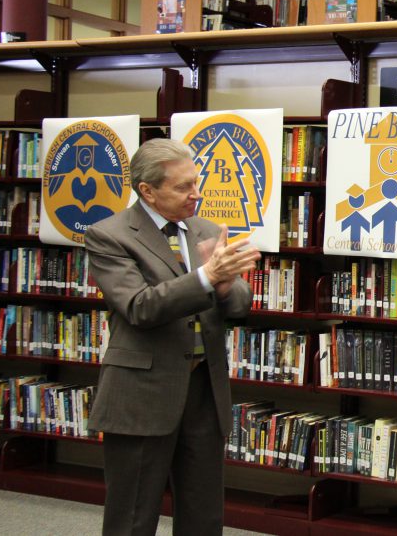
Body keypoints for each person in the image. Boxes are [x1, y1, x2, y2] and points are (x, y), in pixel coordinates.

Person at [85, 138, 261, 535]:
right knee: (132, 517)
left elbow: (239, 306)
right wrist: (206, 277)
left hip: (203, 388)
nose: (196, 194)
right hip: (142, 391)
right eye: (184, 187)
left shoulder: (206, 230)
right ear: (147, 190)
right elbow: (139, 307)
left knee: (204, 516)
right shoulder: (110, 235)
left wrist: (224, 285)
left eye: (196, 183)